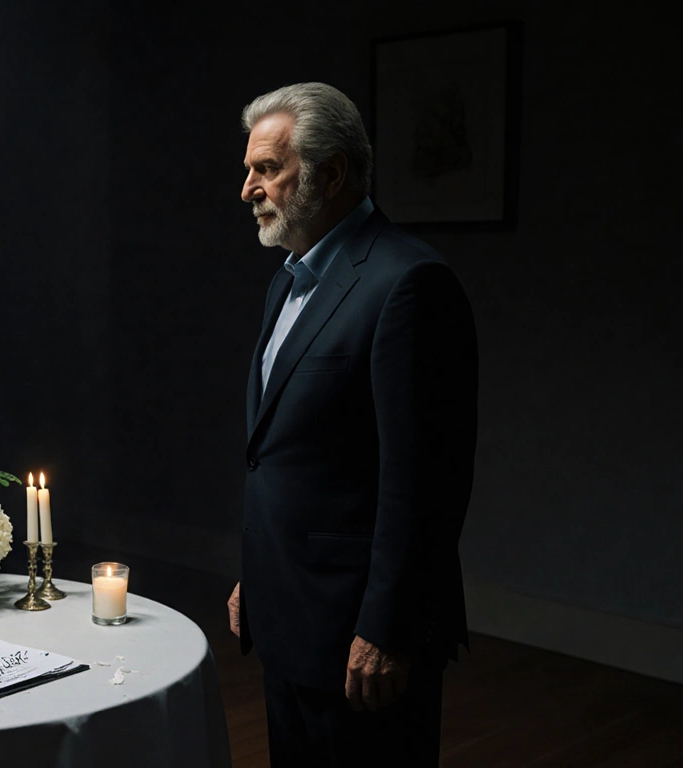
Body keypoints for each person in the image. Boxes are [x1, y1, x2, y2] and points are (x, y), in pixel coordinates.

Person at [227, 82, 478, 767]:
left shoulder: (409, 283)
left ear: (331, 172)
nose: (248, 188)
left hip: (360, 643)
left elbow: (424, 484)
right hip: (292, 618)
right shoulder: (287, 279)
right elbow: (290, 456)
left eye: (267, 169)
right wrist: (262, 575)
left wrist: (386, 632)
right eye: (250, 170)